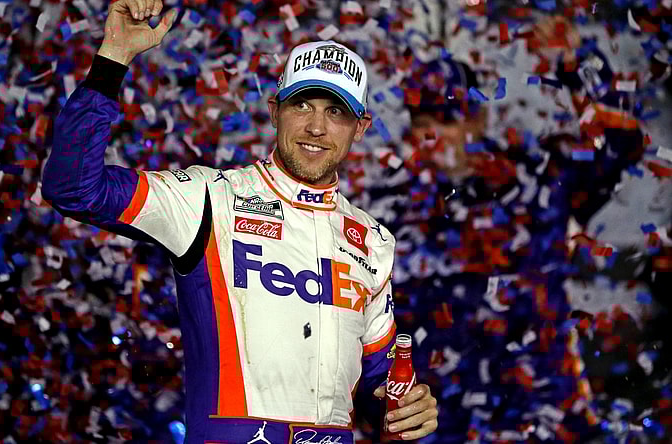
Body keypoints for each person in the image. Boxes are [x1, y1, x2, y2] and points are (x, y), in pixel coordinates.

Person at [41, 0, 439, 442]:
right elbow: (73, 187)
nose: (316, 127)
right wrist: (113, 57)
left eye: (336, 112)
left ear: (359, 128)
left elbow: (379, 390)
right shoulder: (207, 198)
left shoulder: (373, 239)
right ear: (274, 111)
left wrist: (407, 411)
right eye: (302, 105)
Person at [358, 16, 647, 444]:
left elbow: (622, 138)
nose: (432, 135)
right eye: (421, 123)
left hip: (543, 416)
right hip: (441, 426)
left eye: (446, 119)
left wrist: (576, 61)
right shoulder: (392, 213)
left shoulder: (535, 183)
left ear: (475, 120)